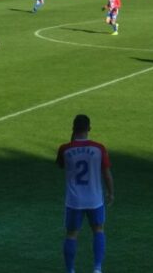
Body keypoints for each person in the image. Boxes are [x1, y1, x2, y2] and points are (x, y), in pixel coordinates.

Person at [56, 114, 115, 273]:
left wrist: (72, 141)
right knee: (98, 230)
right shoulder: (99, 148)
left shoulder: (65, 149)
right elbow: (106, 174)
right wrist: (111, 193)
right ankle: (97, 268)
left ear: (73, 128)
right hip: (95, 199)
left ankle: (70, 270)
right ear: (89, 128)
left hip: (74, 200)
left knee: (71, 234)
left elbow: (61, 164)